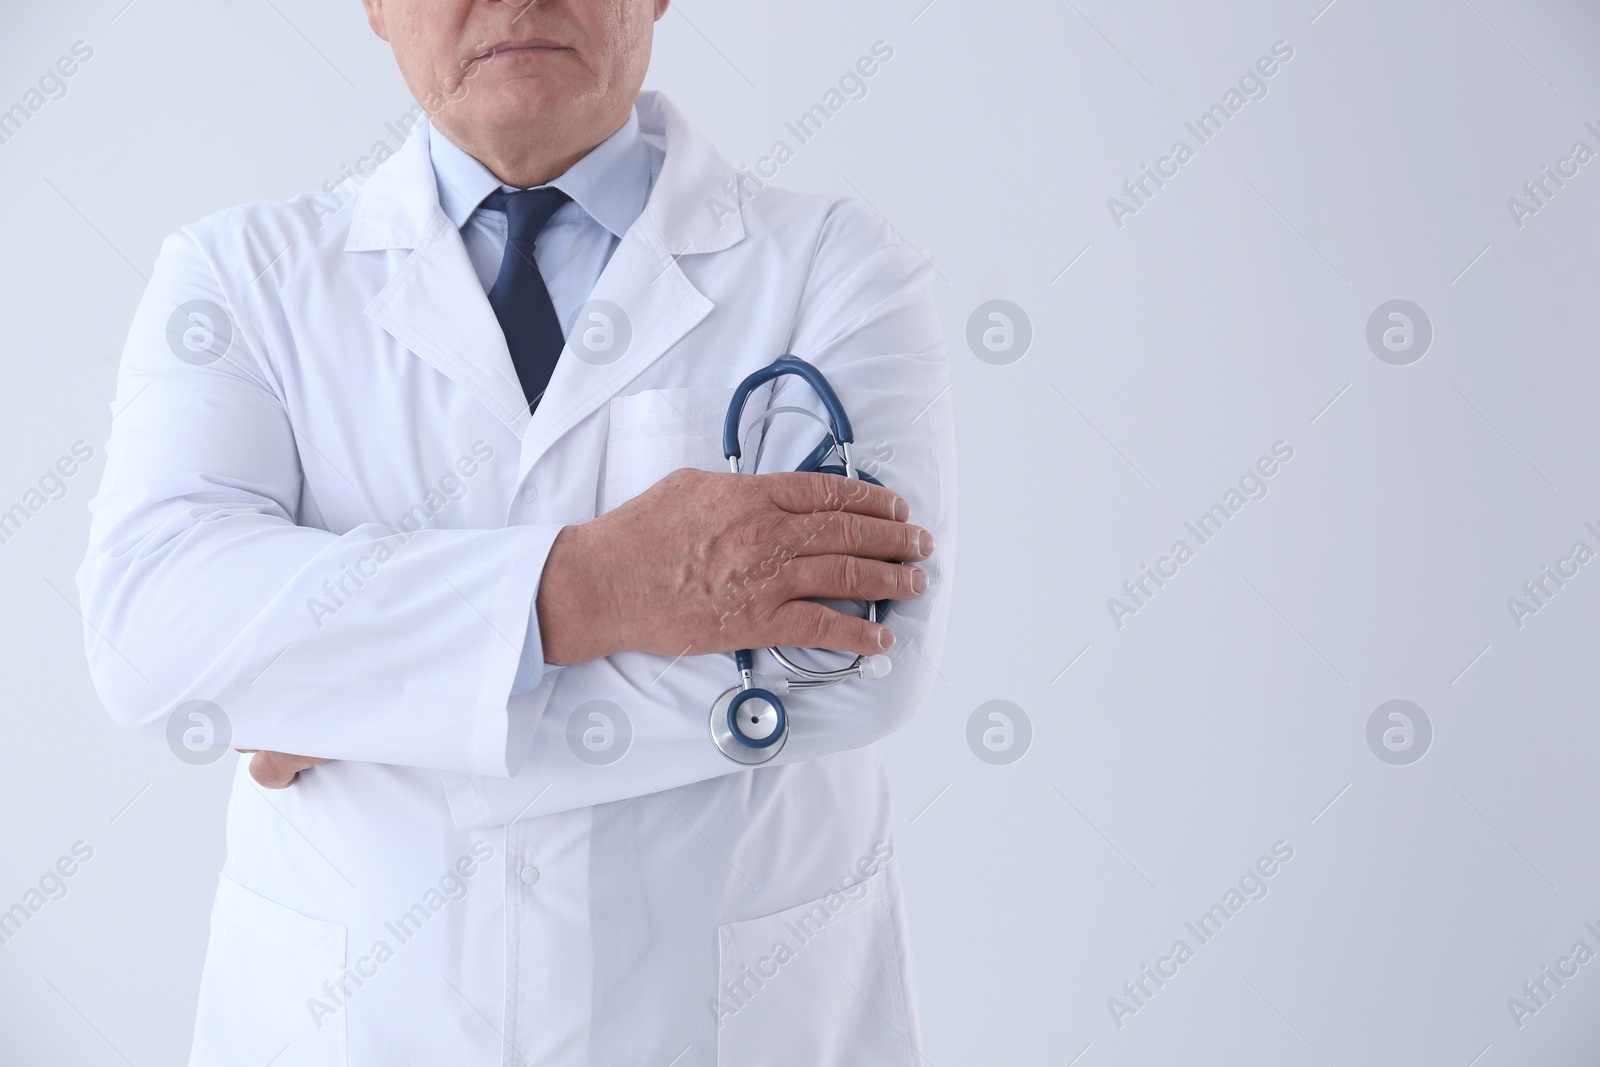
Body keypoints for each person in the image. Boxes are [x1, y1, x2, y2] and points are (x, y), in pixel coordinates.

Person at [75, 1, 955, 1063]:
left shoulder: (836, 265)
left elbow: (856, 659)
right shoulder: (237, 277)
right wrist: (589, 587)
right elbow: (151, 633)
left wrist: (357, 692)